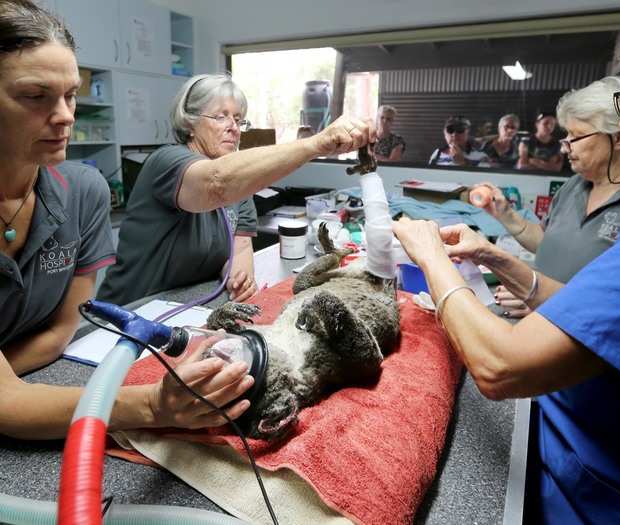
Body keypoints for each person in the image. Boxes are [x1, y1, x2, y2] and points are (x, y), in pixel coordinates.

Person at [393, 5, 620, 523]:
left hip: (600, 502)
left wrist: (428, 255)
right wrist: (492, 252)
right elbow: (596, 318)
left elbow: (499, 366)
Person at [0, 0, 254, 439]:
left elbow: (63, 331)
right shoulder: (173, 163)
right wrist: (154, 405)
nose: (65, 116)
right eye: (35, 96)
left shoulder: (82, 192)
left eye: (71, 94)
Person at [97, 73, 373, 305]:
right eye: (221, 117)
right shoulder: (167, 162)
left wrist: (238, 276)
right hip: (128, 311)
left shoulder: (239, 188)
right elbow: (216, 183)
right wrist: (317, 144)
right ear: (190, 123)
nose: (234, 128)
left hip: (184, 306)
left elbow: (240, 248)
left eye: (238, 119)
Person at [476, 76, 620, 317]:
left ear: (617, 137)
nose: (566, 146)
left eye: (576, 136)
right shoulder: (574, 185)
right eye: (567, 136)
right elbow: (546, 242)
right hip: (539, 319)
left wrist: (542, 299)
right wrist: (504, 214)